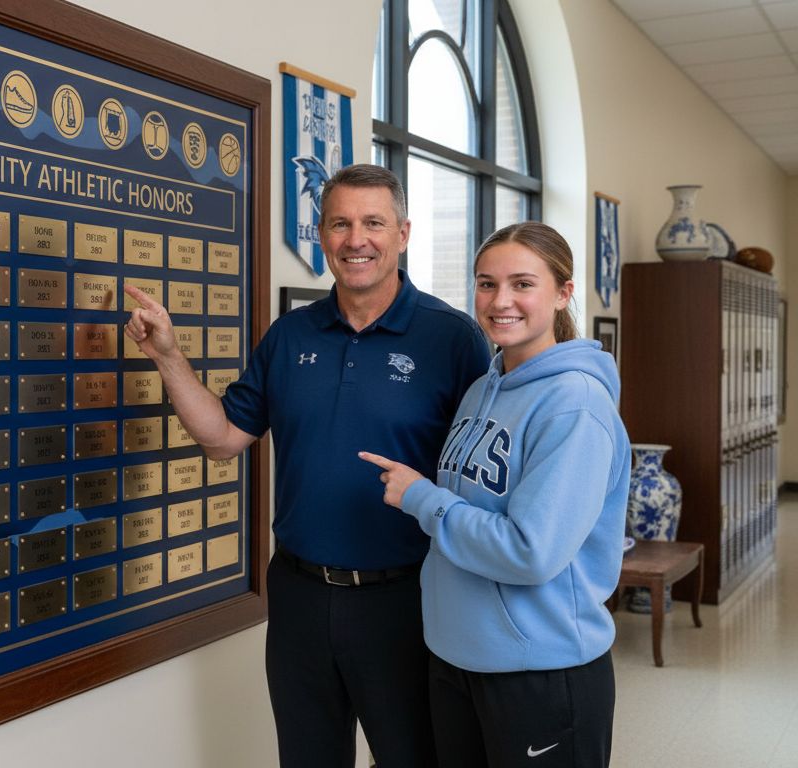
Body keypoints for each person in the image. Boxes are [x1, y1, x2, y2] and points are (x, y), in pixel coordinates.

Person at [123, 164, 490, 766]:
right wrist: (166, 355)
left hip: (407, 599)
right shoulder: (289, 336)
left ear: (403, 232)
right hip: (298, 597)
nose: (356, 239)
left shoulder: (452, 340)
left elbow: (480, 480)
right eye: (340, 223)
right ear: (321, 235)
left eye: (373, 222)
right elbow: (221, 440)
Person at [360, 222, 630, 768]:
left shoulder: (575, 405)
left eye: (522, 284)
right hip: (457, 658)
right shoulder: (483, 388)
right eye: (486, 284)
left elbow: (530, 552)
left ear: (562, 293)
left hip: (539, 670)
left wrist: (422, 498)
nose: (500, 301)